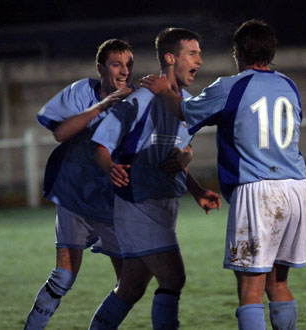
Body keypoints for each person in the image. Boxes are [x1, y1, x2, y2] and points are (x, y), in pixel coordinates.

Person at [141, 19, 306, 330]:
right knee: (278, 283)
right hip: (297, 188)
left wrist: (165, 91)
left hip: (259, 190)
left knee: (250, 289)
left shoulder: (231, 87)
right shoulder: (289, 85)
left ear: (238, 52)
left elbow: (184, 111)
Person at [24, 39, 193, 329]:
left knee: (130, 285)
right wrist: (102, 106)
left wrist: (185, 156)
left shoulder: (139, 99)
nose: (124, 71)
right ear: (101, 68)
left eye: (129, 64)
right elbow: (60, 132)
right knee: (64, 276)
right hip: (75, 196)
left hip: (114, 204)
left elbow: (171, 140)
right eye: (117, 64)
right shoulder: (82, 91)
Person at [88, 28, 222, 330]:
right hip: (138, 202)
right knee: (174, 277)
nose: (199, 60)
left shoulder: (186, 102)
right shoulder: (140, 98)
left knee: (131, 287)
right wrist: (110, 167)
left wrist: (196, 188)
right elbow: (99, 145)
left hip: (164, 201)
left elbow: (173, 156)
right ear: (170, 58)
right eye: (192, 53)